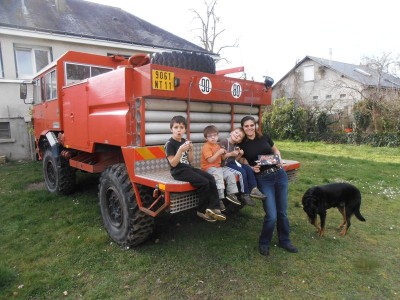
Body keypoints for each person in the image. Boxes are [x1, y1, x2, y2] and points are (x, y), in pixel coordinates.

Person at [239, 115, 298, 256]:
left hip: (279, 174)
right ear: (243, 128)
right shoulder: (242, 144)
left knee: (282, 212)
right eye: (246, 126)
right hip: (264, 179)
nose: (249, 128)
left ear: (255, 125)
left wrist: (279, 159)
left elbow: (276, 150)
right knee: (271, 215)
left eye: (251, 125)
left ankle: (285, 241)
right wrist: (252, 168)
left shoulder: (264, 137)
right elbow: (240, 162)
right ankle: (264, 242)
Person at [165, 116, 226, 222]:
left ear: (185, 130)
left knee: (210, 178)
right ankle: (201, 211)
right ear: (171, 129)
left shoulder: (184, 141)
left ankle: (214, 207)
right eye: (176, 127)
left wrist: (191, 150)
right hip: (178, 171)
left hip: (188, 168)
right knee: (203, 182)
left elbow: (191, 160)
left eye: (181, 127)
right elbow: (173, 164)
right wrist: (180, 151)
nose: (179, 130)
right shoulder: (169, 144)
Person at [219, 127, 266, 207]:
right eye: (236, 133)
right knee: (242, 172)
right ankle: (245, 194)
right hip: (225, 165)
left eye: (240, 136)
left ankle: (254, 189)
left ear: (240, 140)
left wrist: (240, 154)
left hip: (233, 163)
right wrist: (231, 154)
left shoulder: (236, 145)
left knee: (248, 168)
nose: (237, 135)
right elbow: (222, 158)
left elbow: (235, 160)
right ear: (231, 132)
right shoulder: (224, 141)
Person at [200, 125, 241, 211]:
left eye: (215, 135)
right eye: (210, 136)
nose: (213, 137)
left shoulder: (218, 145)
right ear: (206, 138)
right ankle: (219, 200)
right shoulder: (206, 146)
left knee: (230, 175)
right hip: (209, 168)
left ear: (218, 136)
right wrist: (219, 152)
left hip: (219, 167)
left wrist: (226, 154)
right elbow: (210, 160)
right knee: (218, 178)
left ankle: (231, 194)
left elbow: (222, 158)